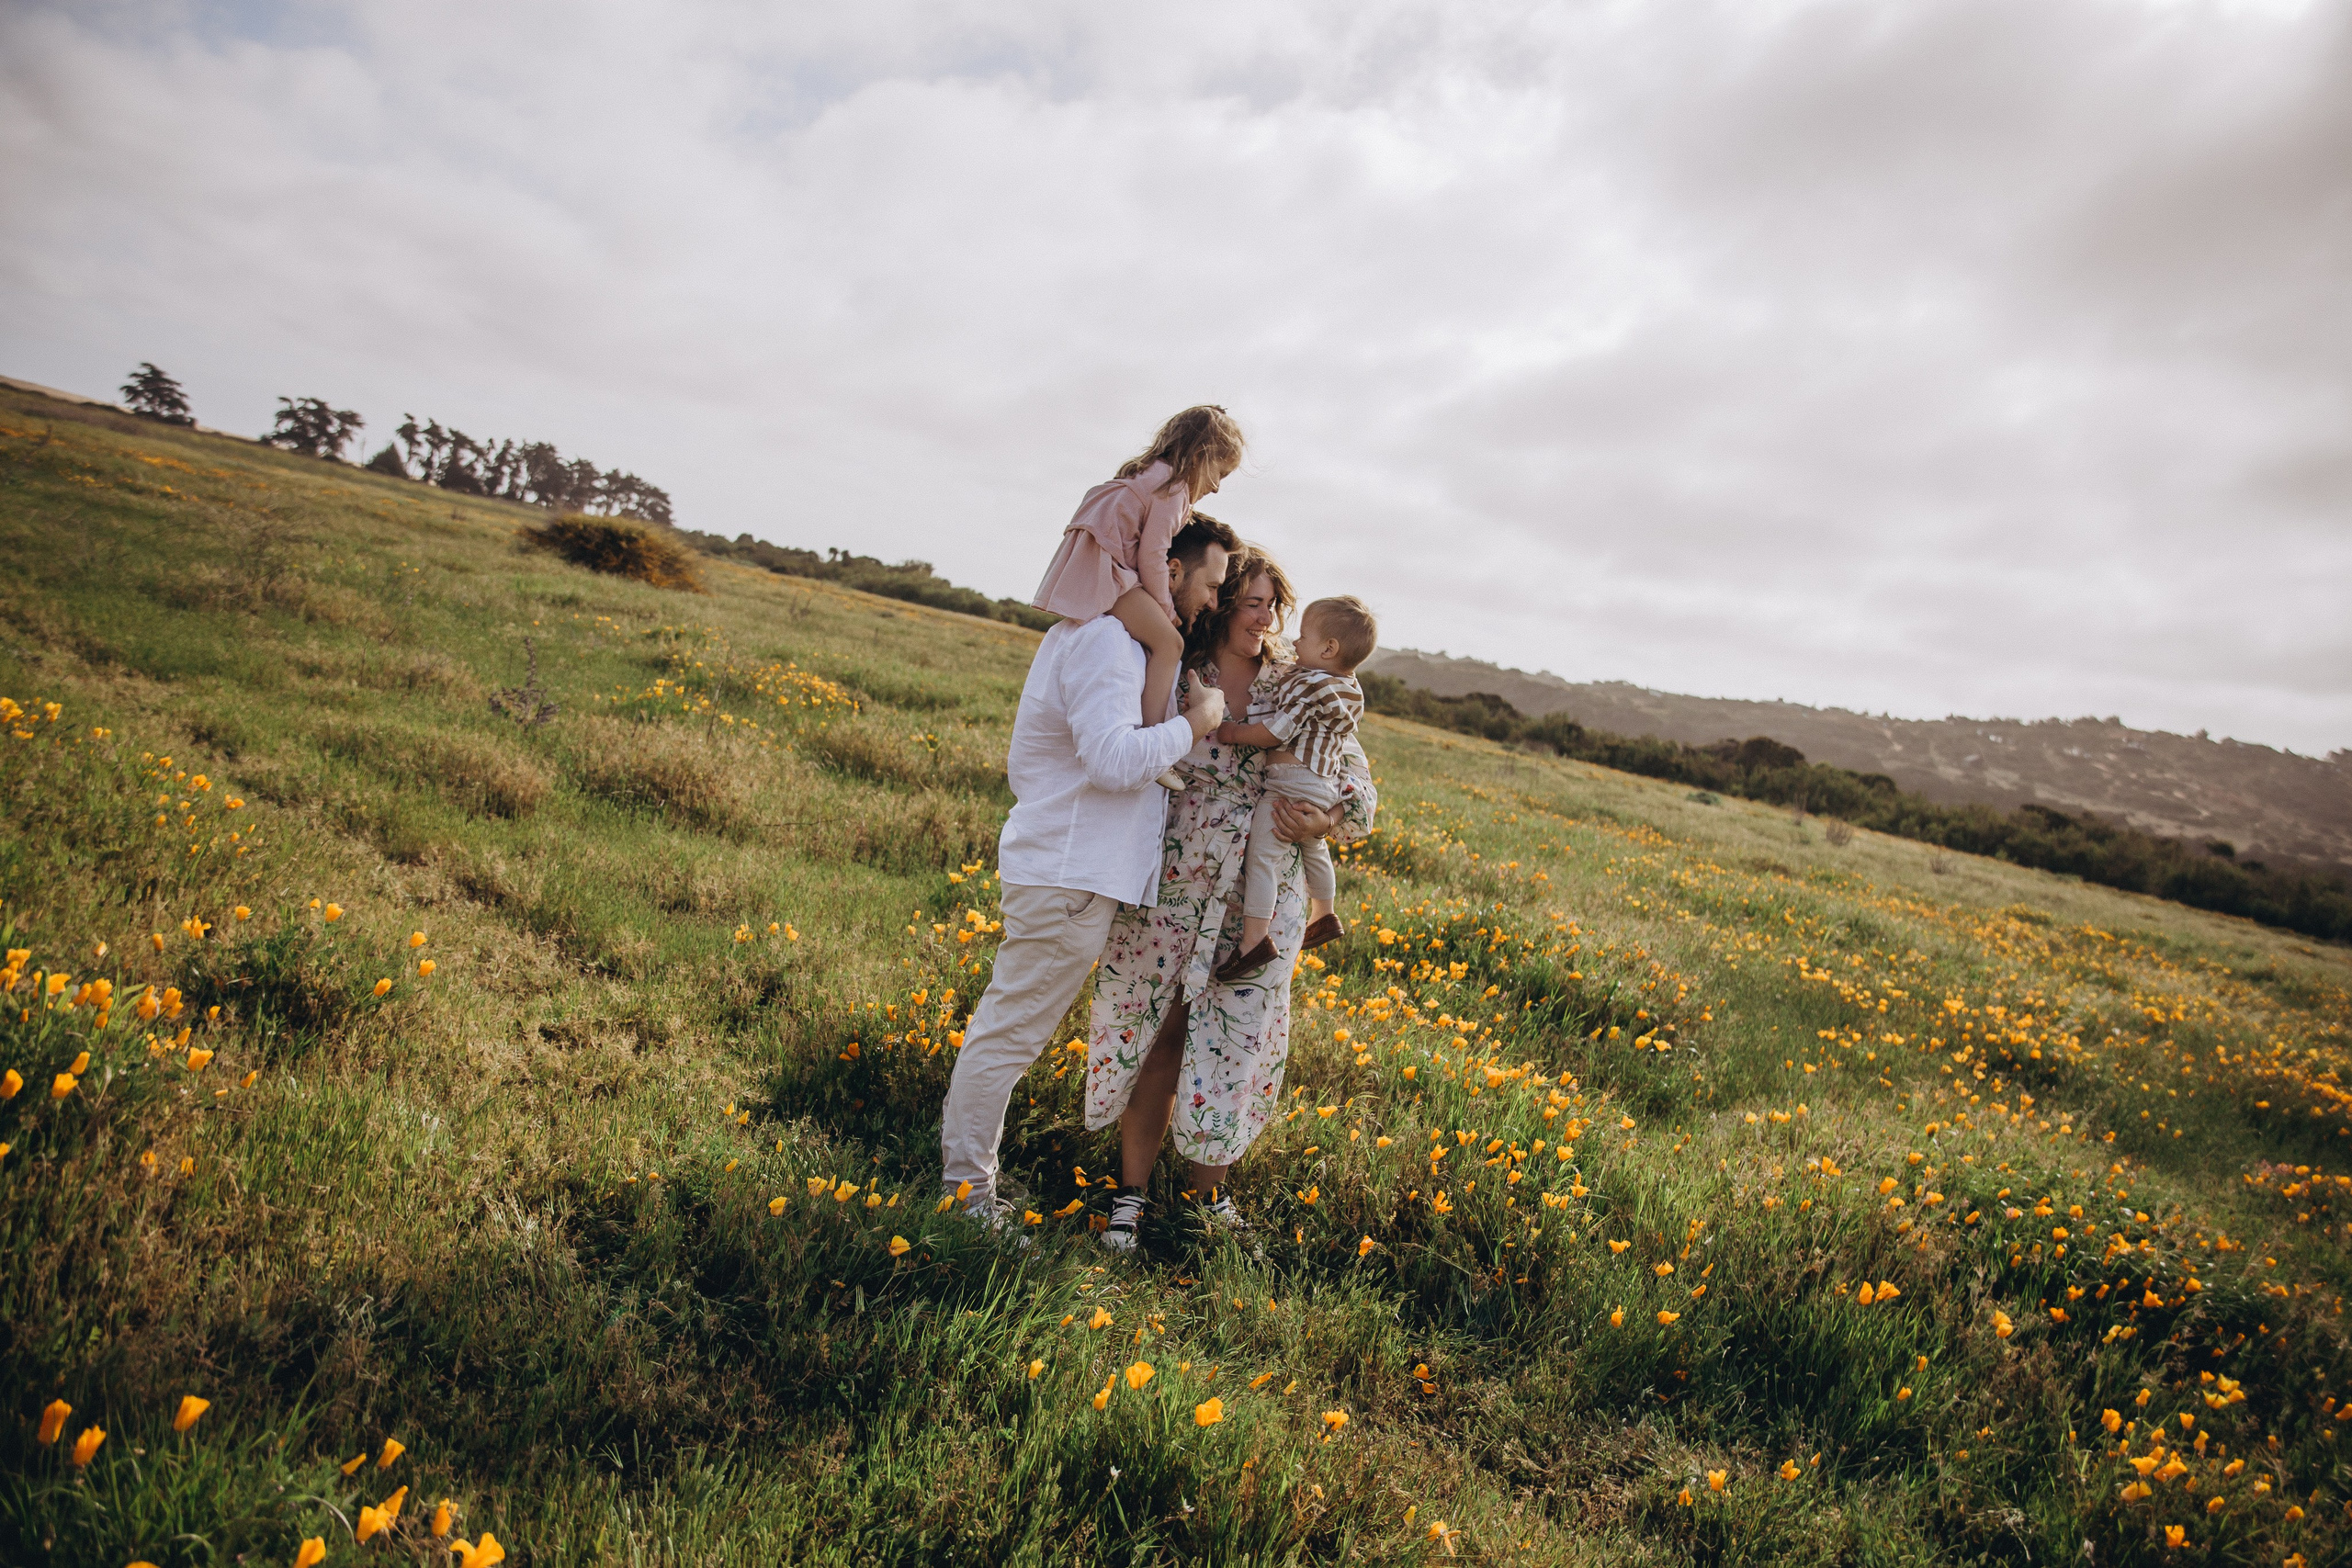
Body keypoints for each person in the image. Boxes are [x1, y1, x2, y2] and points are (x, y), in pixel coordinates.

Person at [938, 513, 1241, 1230]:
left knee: (1008, 1031)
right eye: (1212, 582)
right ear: (1170, 570)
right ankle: (964, 1196)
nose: (1214, 601)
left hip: (1074, 875)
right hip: (1069, 876)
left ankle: (969, 1183)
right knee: (1008, 1035)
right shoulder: (1107, 642)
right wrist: (1197, 723)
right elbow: (1112, 763)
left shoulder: (1118, 640)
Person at [1082, 547, 1378, 1251]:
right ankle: (1130, 1197)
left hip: (1261, 902)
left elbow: (1360, 786)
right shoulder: (1180, 671)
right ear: (1220, 606)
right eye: (1252, 601)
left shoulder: (1300, 683)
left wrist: (1328, 817)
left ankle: (1205, 1198)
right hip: (1175, 889)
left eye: (1275, 604)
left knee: (1233, 1046)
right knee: (1159, 1034)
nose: (1267, 616)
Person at [1031, 407, 1247, 772]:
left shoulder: (1147, 475)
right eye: (1219, 473)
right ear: (1201, 456)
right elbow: (1153, 554)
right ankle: (1154, 739)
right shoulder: (1174, 489)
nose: (1216, 486)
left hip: (1101, 567)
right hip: (1112, 575)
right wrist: (1165, 606)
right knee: (1169, 643)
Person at [1209, 594, 1377, 982]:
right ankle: (1325, 911)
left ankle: (1253, 941)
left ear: (1329, 648)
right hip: (1322, 784)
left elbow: (1276, 733)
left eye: (1302, 636)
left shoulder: (1308, 683)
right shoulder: (1348, 689)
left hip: (1290, 783)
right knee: (1314, 847)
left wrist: (1234, 732)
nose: (1295, 642)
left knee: (1263, 858)